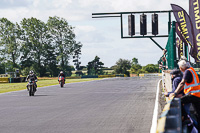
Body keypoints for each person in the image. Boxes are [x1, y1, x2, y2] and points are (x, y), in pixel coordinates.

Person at [169, 60, 200, 131]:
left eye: (180, 67)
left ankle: (183, 117)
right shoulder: (192, 70)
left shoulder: (187, 71)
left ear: (181, 67)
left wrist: (175, 93)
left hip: (192, 94)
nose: (180, 69)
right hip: (197, 95)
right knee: (197, 114)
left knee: (177, 101)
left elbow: (182, 83)